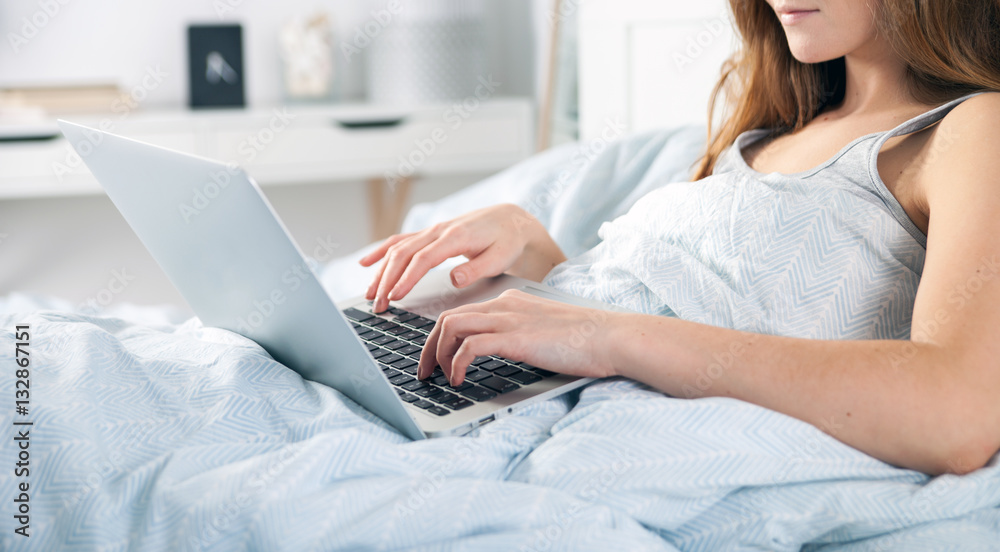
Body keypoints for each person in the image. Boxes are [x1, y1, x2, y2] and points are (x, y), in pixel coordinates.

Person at [359, 0, 1000, 476]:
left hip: (595, 434)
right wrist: (535, 255)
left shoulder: (972, 130)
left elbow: (958, 411)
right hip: (520, 390)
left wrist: (606, 337)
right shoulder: (769, 130)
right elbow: (679, 306)